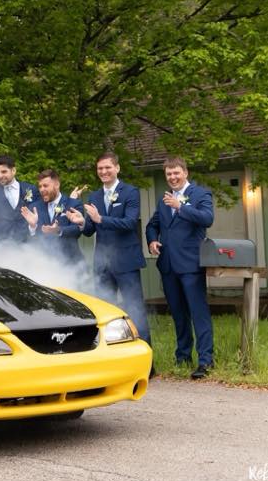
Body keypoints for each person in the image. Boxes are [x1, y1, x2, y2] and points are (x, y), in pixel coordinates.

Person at [66, 152, 151, 347]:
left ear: (117, 168)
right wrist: (81, 223)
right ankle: (113, 356)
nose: (103, 171)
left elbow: (130, 223)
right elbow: (90, 230)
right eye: (100, 169)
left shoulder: (130, 192)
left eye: (107, 167)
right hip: (102, 264)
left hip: (126, 262)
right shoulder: (95, 195)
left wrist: (100, 219)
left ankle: (147, 361)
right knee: (106, 313)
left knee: (134, 310)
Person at [145, 157, 215, 379]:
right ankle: (182, 356)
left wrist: (181, 207)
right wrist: (152, 240)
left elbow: (207, 218)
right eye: (168, 174)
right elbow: (152, 224)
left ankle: (206, 360)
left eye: (176, 173)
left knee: (198, 313)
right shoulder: (164, 199)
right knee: (178, 314)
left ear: (185, 172)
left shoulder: (200, 194)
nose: (172, 177)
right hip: (168, 265)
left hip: (191, 264)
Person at [20, 169, 84, 266]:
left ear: (57, 185)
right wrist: (32, 227)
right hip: (44, 266)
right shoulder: (34, 207)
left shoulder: (73, 203)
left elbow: (77, 230)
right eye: (40, 186)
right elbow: (26, 240)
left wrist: (58, 230)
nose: (41, 189)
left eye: (45, 186)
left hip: (71, 266)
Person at [0, 155, 39, 246]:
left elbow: (39, 219)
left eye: (4, 172)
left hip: (26, 248)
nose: (0, 176)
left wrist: (33, 226)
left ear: (13, 170)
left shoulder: (30, 189)